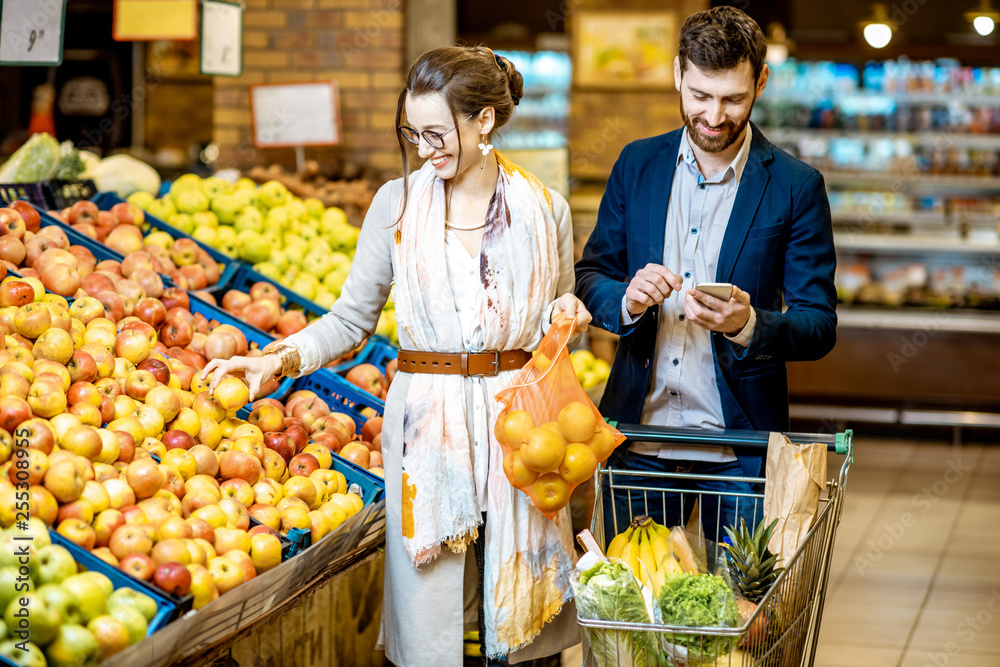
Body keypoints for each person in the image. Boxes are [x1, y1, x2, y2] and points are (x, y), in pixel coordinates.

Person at [202, 46, 590, 667]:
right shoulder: (397, 204)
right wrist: (278, 360)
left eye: (437, 133)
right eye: (413, 133)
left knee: (523, 618)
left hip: (523, 427)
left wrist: (565, 315)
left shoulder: (546, 211)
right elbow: (352, 319)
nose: (423, 148)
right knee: (433, 622)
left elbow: (556, 307)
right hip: (428, 434)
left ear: (484, 121)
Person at [575, 6, 837, 542]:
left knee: (739, 618)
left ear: (760, 82)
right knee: (634, 617)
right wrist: (626, 298)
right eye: (699, 95)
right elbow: (591, 274)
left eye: (733, 99)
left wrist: (749, 324)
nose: (714, 116)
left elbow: (818, 325)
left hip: (739, 451)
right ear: (677, 74)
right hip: (638, 442)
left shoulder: (795, 186)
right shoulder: (636, 165)